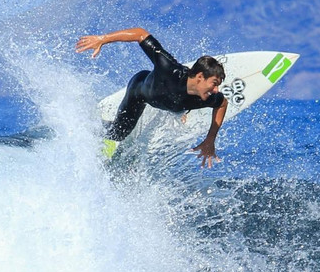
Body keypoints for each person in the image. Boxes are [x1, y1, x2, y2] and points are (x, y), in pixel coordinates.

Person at [76, 27, 228, 167]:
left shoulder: (207, 97)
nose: (216, 90)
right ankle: (94, 125)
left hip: (173, 101)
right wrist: (102, 39)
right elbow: (140, 33)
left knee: (179, 105)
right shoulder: (169, 68)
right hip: (141, 92)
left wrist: (210, 139)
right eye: (214, 84)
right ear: (200, 76)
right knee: (118, 133)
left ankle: (180, 113)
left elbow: (222, 103)